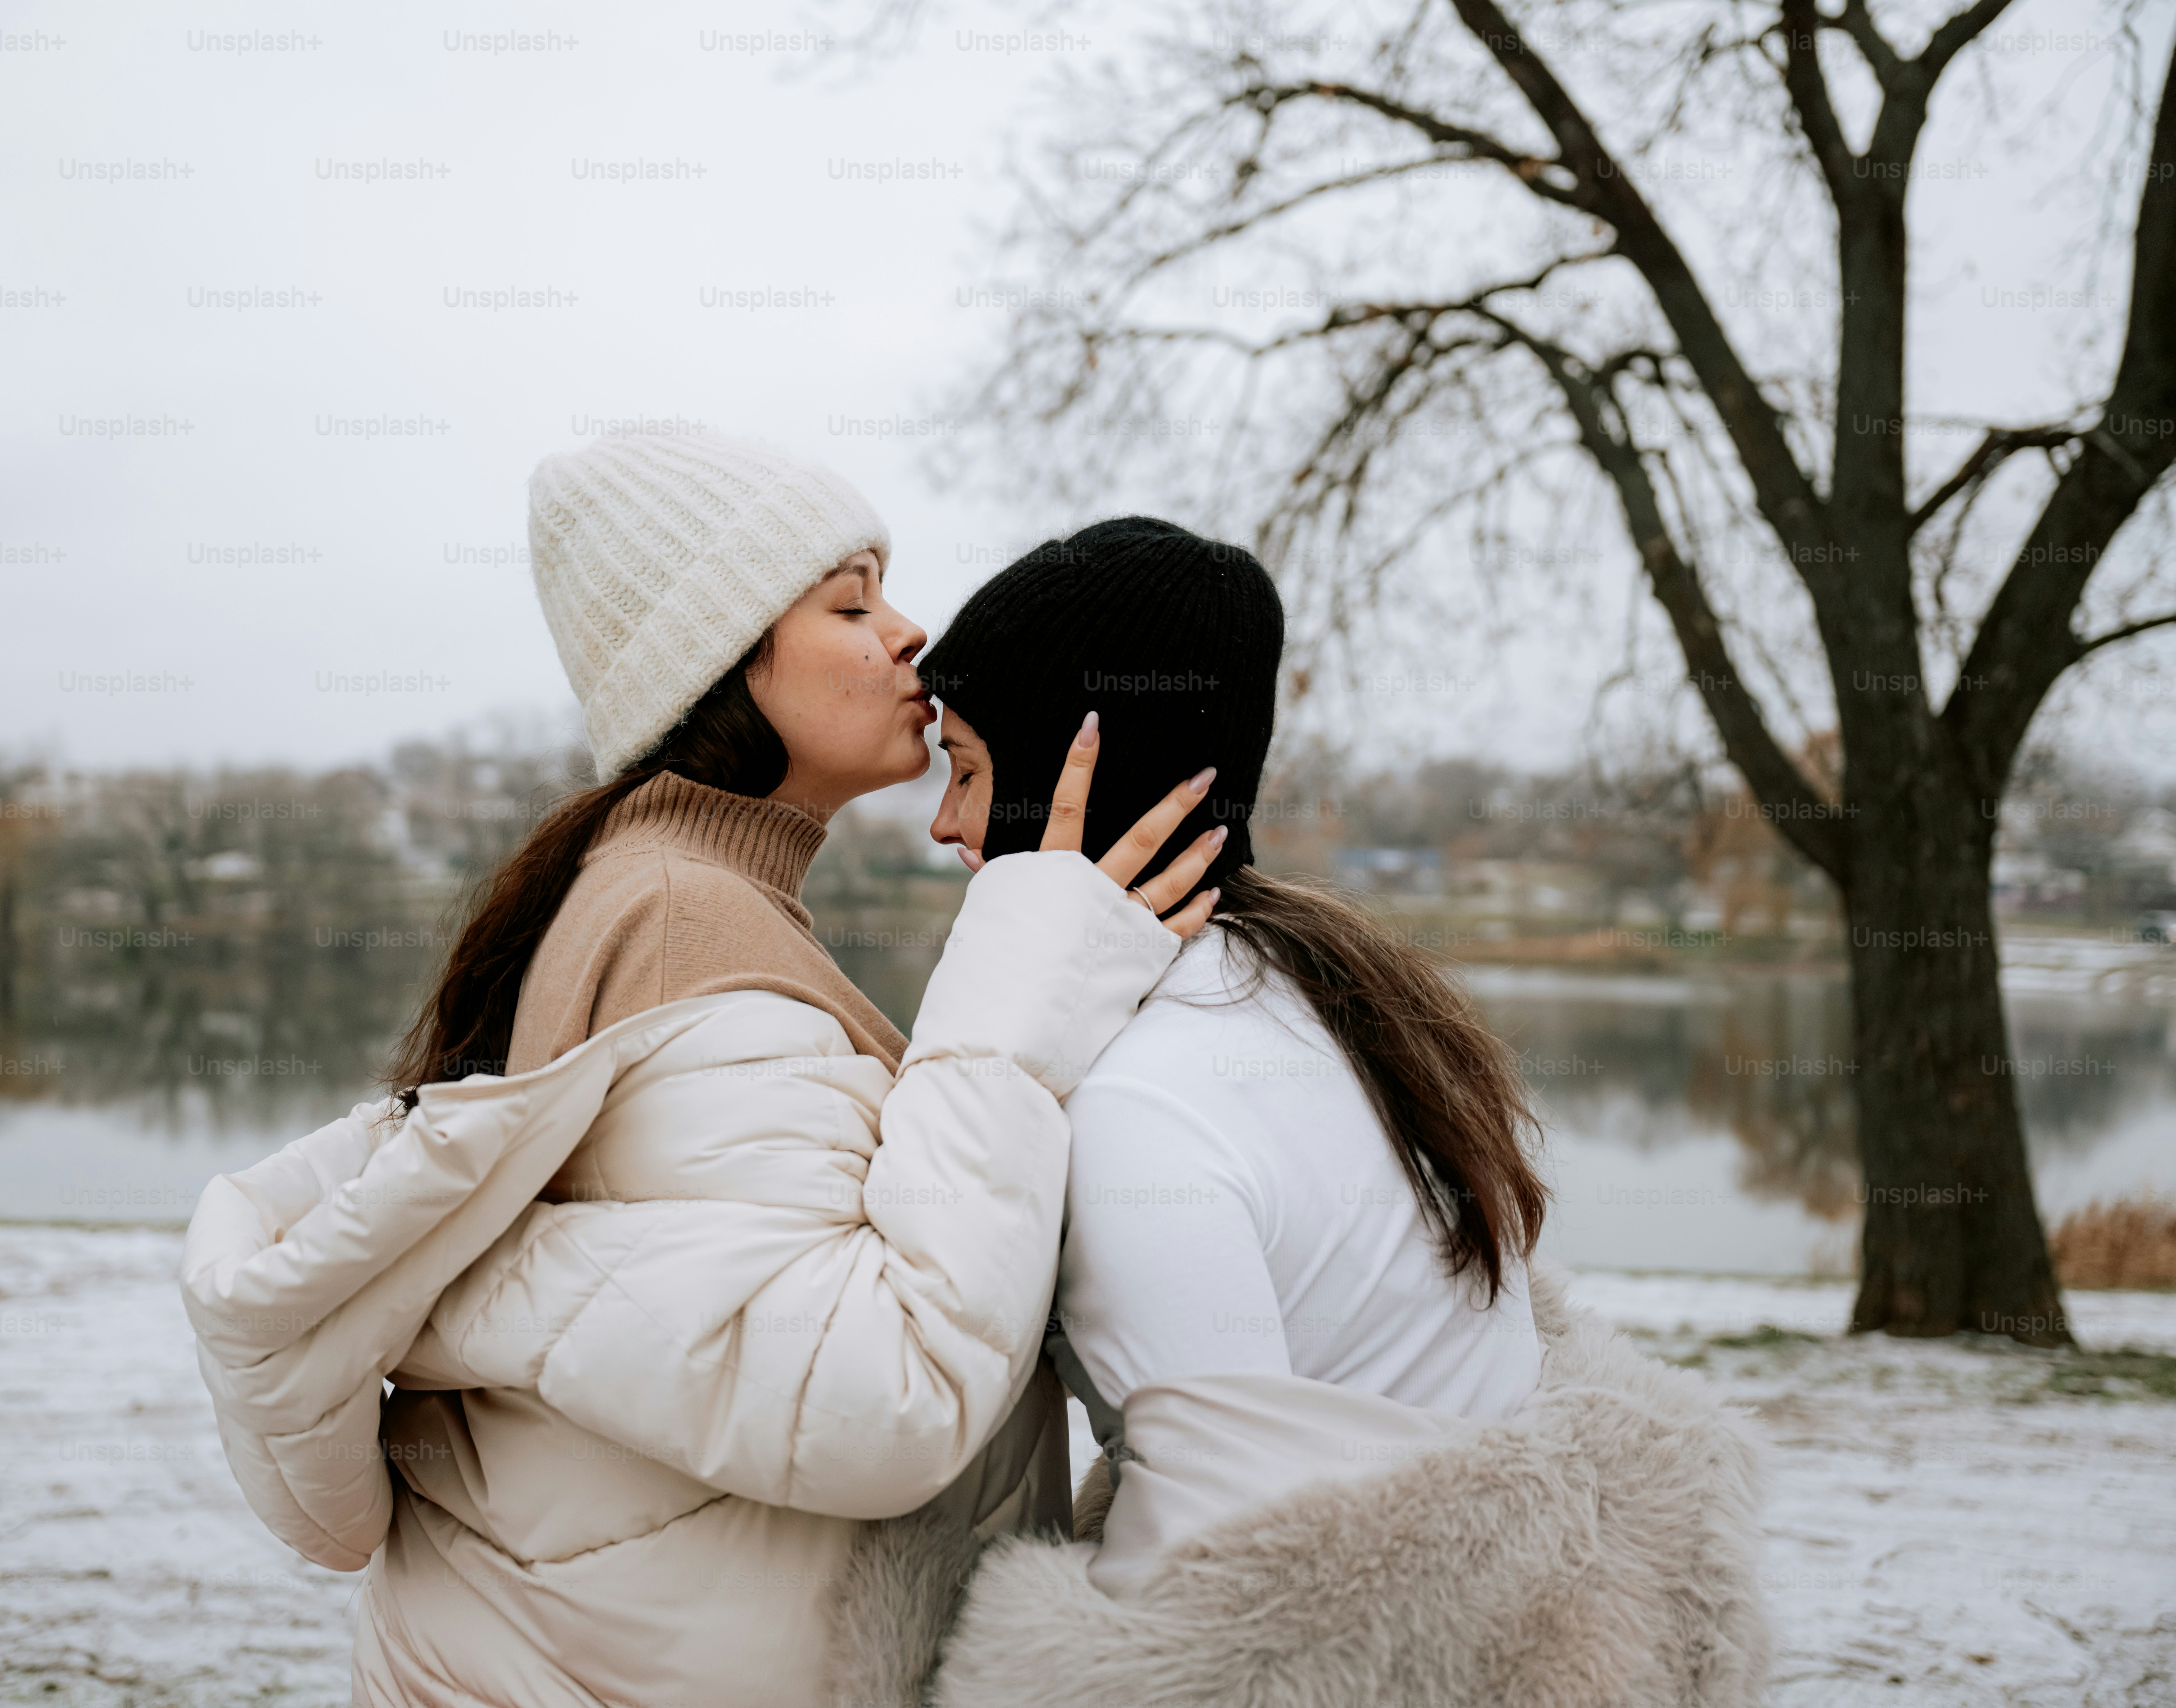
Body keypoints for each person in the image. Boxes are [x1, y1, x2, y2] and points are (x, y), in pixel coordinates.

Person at [179, 435, 1223, 1708]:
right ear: (722, 659)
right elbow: (883, 1391)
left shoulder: (671, 892)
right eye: (851, 603)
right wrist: (1014, 994)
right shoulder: (689, 925)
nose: (912, 637)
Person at [829, 518, 1770, 1708]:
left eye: (966, 769)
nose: (943, 824)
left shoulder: (1141, 1109)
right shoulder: (1305, 999)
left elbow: (1232, 1594)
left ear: (1078, 772)